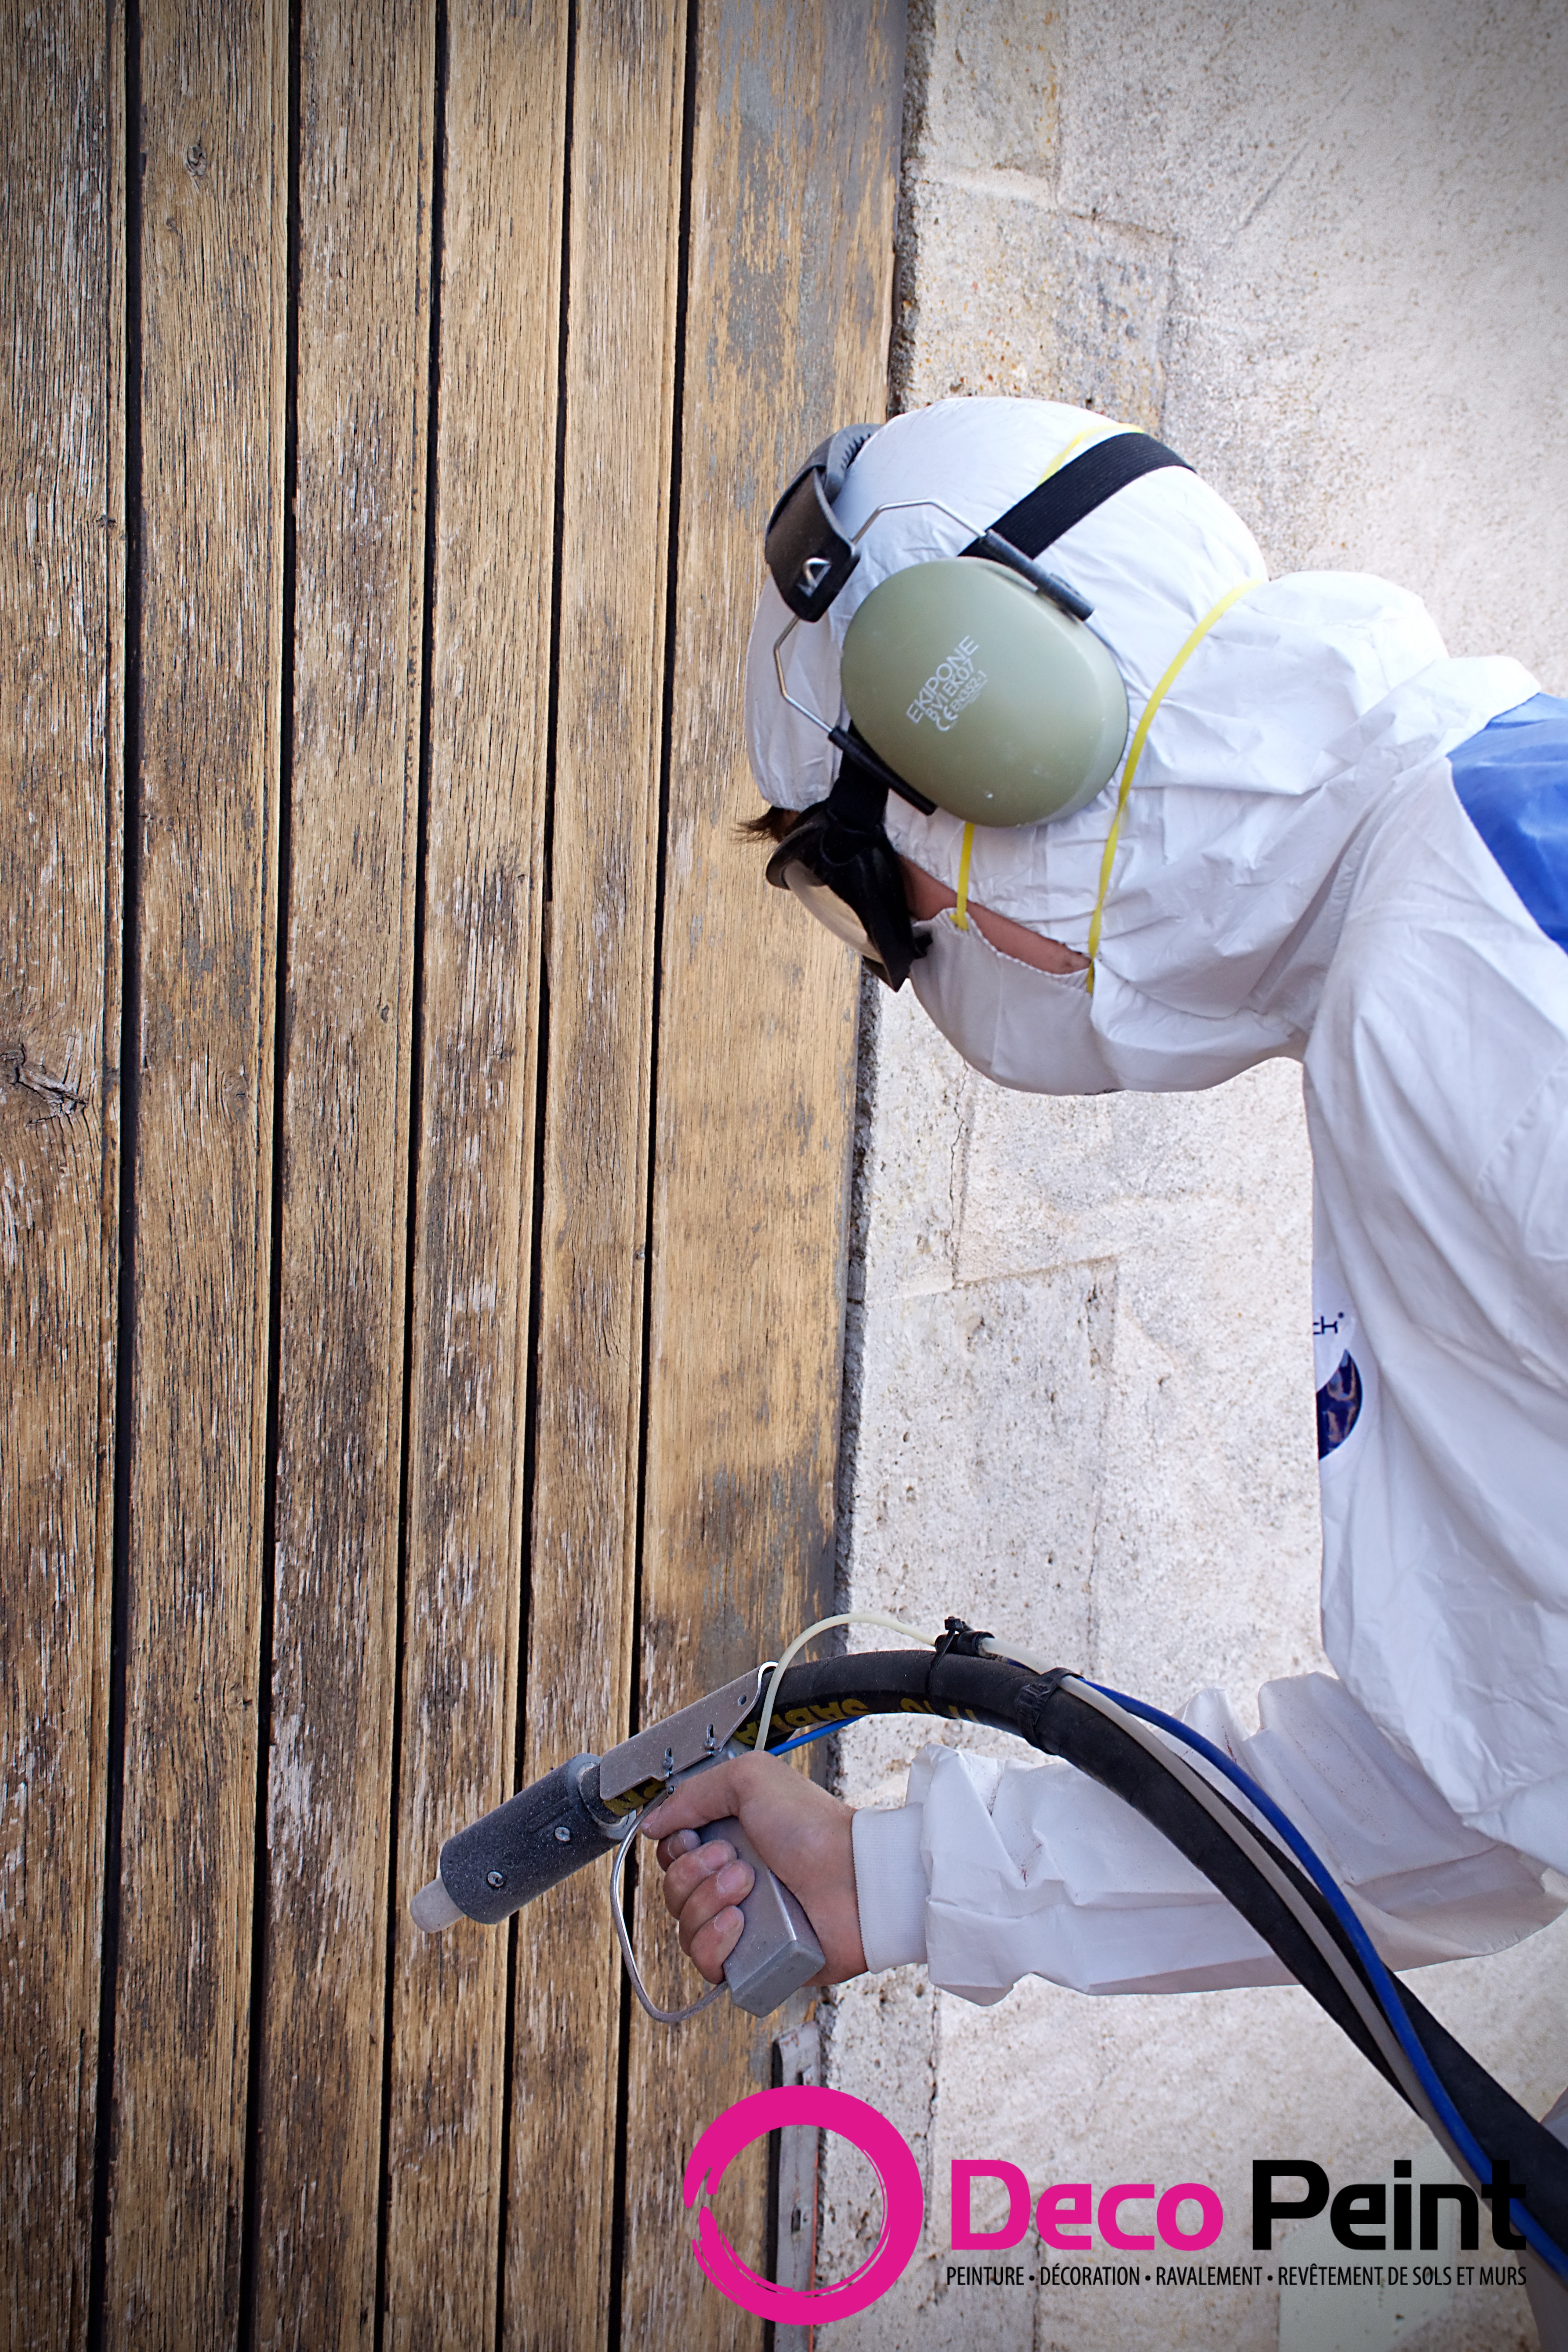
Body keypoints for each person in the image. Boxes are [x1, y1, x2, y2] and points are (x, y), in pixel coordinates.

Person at [641, 393, 1568, 2063]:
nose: (912, 946)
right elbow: (1501, 1771)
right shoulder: (1448, 910)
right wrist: (892, 1880)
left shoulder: (1466, 983)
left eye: (872, 879)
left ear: (1003, 730)